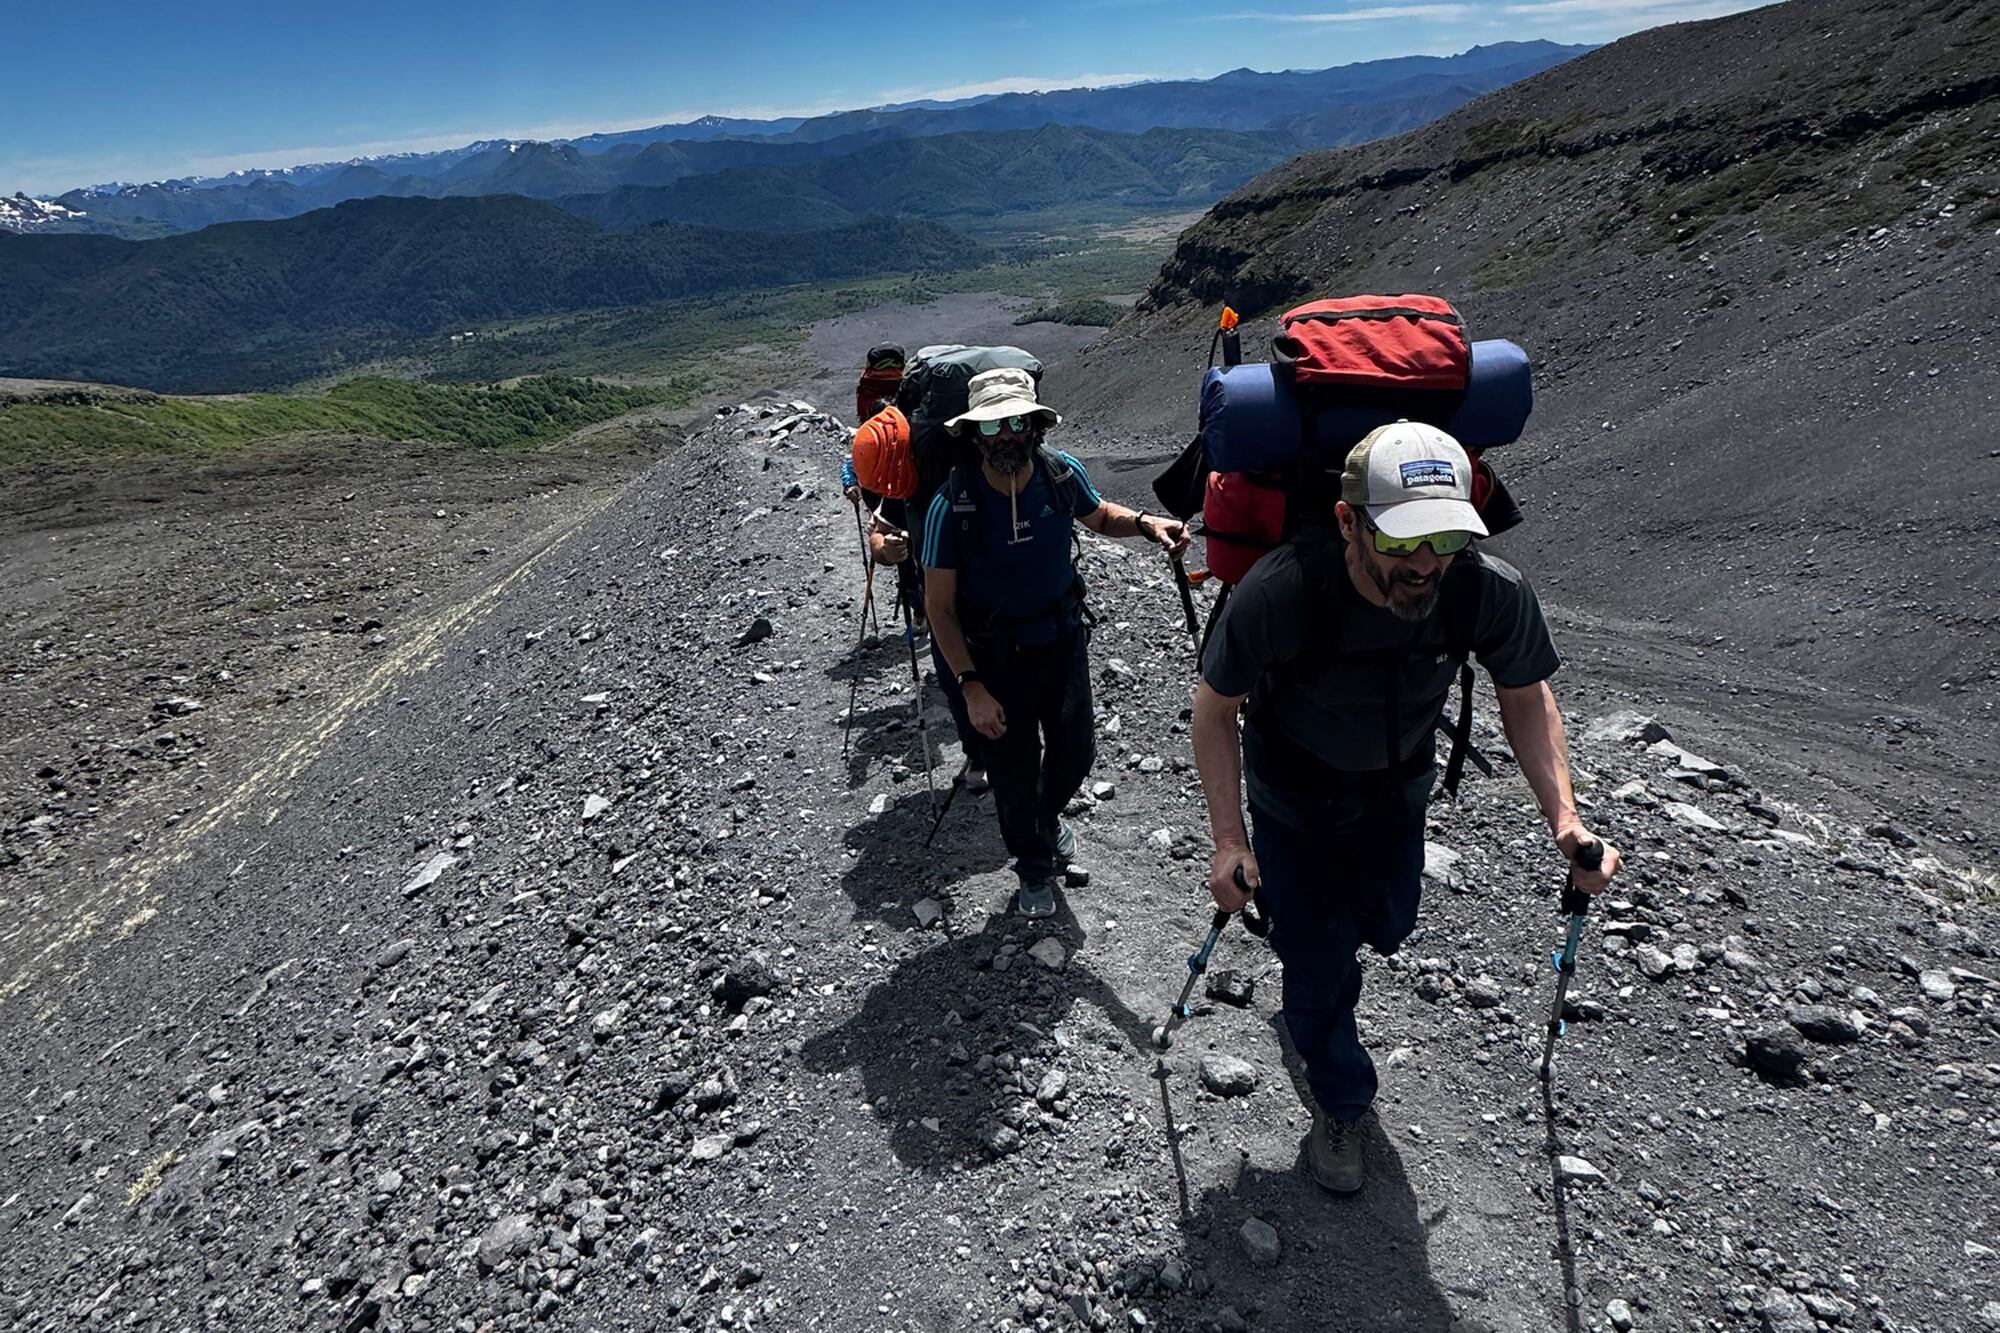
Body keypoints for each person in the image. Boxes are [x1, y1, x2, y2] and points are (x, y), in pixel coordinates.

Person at [1191, 419, 1621, 1195]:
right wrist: (1229, 839)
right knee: (1320, 961)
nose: (1425, 565)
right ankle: (1340, 1096)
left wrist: (1564, 815)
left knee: (1389, 922)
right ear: (1348, 520)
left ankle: (1314, 974)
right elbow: (1214, 712)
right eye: (1401, 542)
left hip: (1398, 791)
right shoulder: (1282, 591)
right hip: (1294, 800)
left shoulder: (1483, 589)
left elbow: (1525, 694)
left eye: (1444, 539)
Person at [922, 367, 1190, 917]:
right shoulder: (951, 506)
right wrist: (971, 687)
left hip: (1061, 641)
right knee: (1014, 770)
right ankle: (1034, 867)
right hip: (994, 658)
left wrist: (1144, 524)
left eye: (1017, 421)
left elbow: (1099, 515)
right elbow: (939, 609)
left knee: (1075, 754)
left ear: (1035, 426)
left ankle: (1042, 823)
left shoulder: (1059, 475)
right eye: (993, 425)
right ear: (974, 433)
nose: (1007, 435)